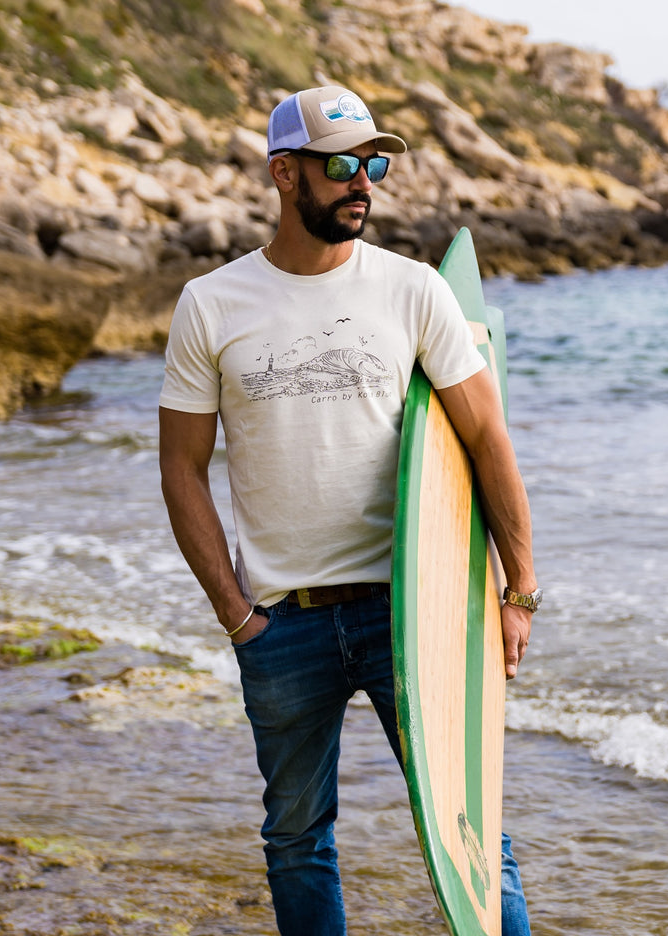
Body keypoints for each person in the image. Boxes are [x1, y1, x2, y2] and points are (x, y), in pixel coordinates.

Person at [157, 84, 539, 935]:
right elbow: (181, 468)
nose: (363, 181)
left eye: (374, 163)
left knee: (471, 833)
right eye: (343, 166)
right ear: (285, 174)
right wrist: (234, 613)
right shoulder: (211, 304)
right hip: (281, 623)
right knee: (296, 838)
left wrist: (517, 590)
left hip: (411, 610)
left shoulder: (412, 291)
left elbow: (486, 440)